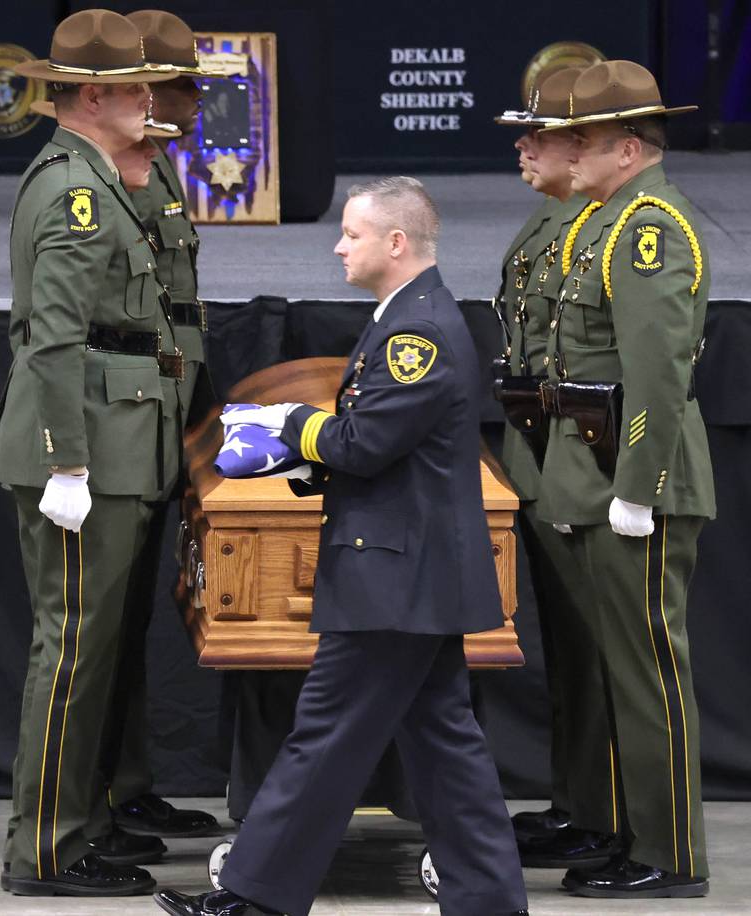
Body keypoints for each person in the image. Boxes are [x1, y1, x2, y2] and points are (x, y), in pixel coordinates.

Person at [154, 177, 529, 916]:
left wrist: (291, 424)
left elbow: (366, 444)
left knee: (322, 741)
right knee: (445, 747)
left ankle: (255, 898)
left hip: (393, 581)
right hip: (413, 576)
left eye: (351, 234)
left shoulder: (416, 332)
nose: (337, 246)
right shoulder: (407, 317)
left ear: (396, 243)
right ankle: (488, 901)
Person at [0, 9, 182, 896]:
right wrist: (67, 461)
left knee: (91, 651)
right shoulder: (73, 187)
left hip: (112, 439)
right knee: (69, 651)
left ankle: (83, 823)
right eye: (137, 87)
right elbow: (55, 338)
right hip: (84, 447)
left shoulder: (96, 177)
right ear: (90, 95)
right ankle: (45, 851)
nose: (153, 98)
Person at [537, 60, 714, 898]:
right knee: (618, 672)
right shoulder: (605, 221)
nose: (568, 153)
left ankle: (671, 853)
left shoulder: (650, 226)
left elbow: (656, 373)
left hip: (639, 476)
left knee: (648, 673)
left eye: (583, 140)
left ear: (628, 147)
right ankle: (629, 833)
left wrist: (637, 487)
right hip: (602, 473)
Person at [92, 8, 221, 844]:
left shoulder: (155, 168)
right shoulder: (105, 177)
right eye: (180, 88)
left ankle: (127, 784)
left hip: (159, 405)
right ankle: (93, 802)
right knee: (97, 627)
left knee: (131, 618)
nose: (194, 106)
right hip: (116, 419)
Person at [493, 69, 618, 867]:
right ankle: (577, 803)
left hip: (584, 455)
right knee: (570, 649)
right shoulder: (555, 218)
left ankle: (607, 813)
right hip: (539, 450)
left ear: (582, 145)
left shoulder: (609, 224)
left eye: (538, 133)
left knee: (605, 652)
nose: (523, 145)